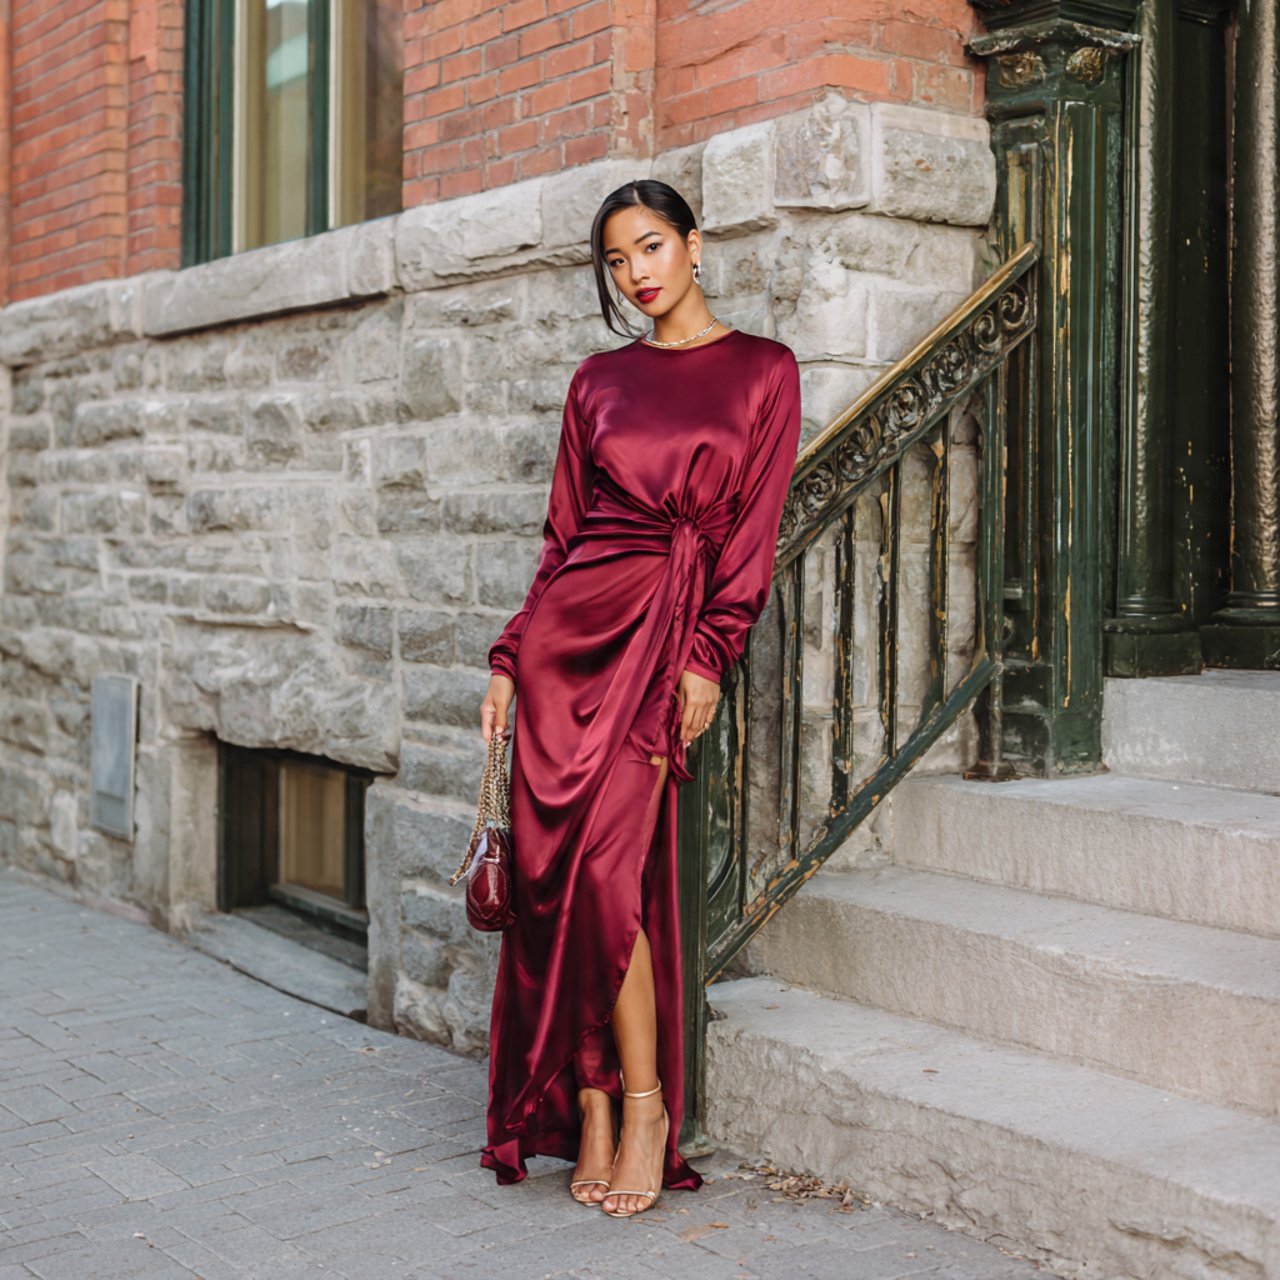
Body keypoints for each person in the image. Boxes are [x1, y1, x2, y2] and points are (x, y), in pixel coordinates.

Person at [477, 178, 803, 1218]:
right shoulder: (596, 380)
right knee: (553, 880)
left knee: (613, 876)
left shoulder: (763, 370)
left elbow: (747, 545)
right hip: (565, 645)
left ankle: (649, 1104)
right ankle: (593, 1106)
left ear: (695, 244)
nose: (636, 274)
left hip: (663, 641)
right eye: (617, 260)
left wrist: (706, 653)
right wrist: (505, 655)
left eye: (652, 247)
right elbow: (559, 536)